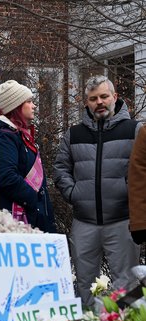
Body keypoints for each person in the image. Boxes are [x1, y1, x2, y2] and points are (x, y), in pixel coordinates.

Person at [53, 75, 141, 308]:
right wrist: (74, 194)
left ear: (115, 97)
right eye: (93, 98)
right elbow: (60, 168)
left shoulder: (135, 130)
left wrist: (131, 196)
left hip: (123, 220)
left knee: (129, 285)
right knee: (84, 284)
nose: (99, 102)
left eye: (104, 96)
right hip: (84, 222)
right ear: (87, 102)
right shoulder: (74, 134)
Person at [0, 80, 56, 234]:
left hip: (32, 213)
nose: (34, 106)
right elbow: (6, 176)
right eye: (29, 101)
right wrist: (33, 198)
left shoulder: (20, 135)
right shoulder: (5, 137)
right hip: (19, 217)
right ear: (16, 107)